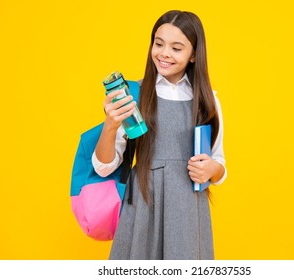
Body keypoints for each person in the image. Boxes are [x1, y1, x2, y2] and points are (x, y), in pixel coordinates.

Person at [92, 10, 227, 260]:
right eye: (159, 43)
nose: (164, 53)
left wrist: (210, 169)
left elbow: (219, 166)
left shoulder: (208, 102)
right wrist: (110, 125)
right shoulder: (134, 94)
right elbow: (103, 167)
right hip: (143, 204)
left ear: (194, 55)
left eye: (177, 48)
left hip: (188, 211)